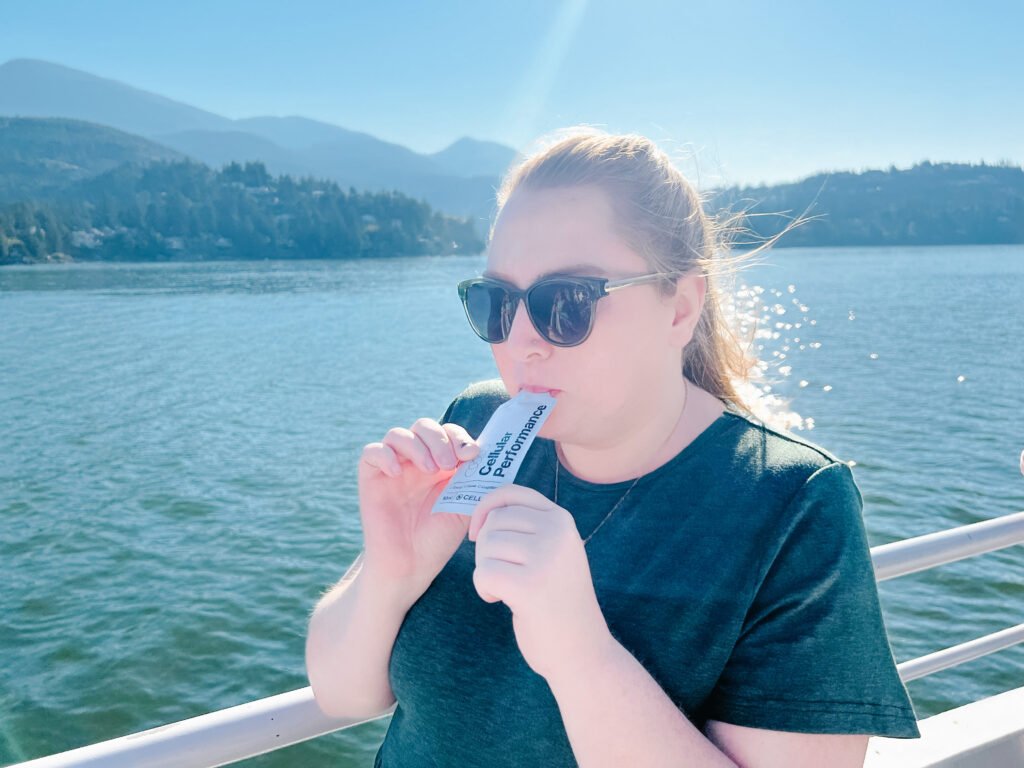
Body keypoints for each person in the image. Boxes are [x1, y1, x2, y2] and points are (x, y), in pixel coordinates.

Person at [305, 129, 920, 767]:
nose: (521, 342)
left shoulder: (790, 503)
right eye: (498, 303)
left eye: (565, 304)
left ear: (680, 307)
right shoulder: (478, 422)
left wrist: (581, 655)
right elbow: (341, 693)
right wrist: (391, 571)